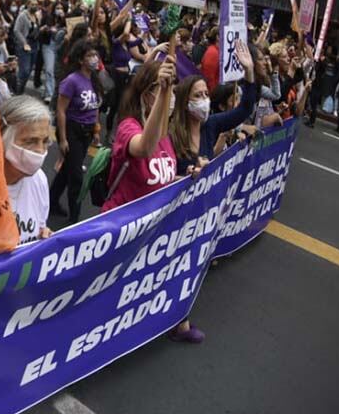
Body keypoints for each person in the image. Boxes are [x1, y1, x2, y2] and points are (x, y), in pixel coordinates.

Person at [104, 57, 202, 343]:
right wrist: (162, 90)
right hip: (123, 228)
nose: (169, 99)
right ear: (147, 94)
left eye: (171, 93)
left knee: (167, 270)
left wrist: (187, 176)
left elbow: (163, 176)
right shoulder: (128, 128)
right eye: (161, 92)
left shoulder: (167, 137)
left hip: (153, 227)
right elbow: (144, 147)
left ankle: (177, 322)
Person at [169, 41, 257, 175]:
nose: (204, 100)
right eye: (198, 95)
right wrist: (186, 176)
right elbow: (164, 182)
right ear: (185, 102)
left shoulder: (210, 124)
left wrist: (249, 72)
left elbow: (244, 110)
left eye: (206, 94)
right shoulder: (171, 134)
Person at [48, 41, 103, 223]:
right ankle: (74, 218)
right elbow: (61, 110)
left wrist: (96, 129)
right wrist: (62, 139)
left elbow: (95, 108)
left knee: (67, 171)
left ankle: (51, 201)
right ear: (80, 60)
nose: (94, 59)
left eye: (95, 55)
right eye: (89, 56)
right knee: (76, 178)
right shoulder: (71, 81)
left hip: (87, 132)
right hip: (72, 131)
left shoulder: (93, 80)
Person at [0, 95, 53, 244]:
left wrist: (44, 236)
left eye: (45, 141)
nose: (40, 150)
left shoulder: (39, 180)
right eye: (30, 141)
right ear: (3, 138)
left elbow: (40, 227)